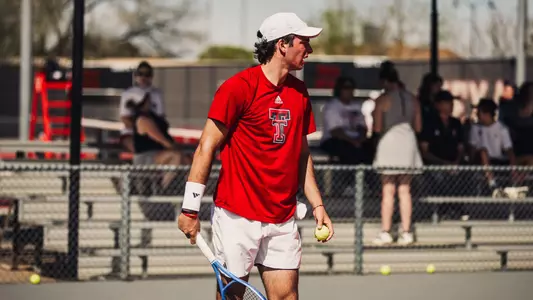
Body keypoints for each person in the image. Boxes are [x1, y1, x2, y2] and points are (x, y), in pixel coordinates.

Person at [177, 12, 334, 300]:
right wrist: (190, 209)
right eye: (304, 42)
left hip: (282, 217)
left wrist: (317, 204)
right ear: (282, 45)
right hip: (237, 216)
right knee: (232, 295)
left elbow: (302, 154)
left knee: (288, 296)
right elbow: (206, 146)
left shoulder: (299, 92)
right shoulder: (237, 88)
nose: (309, 50)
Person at [372, 62, 423, 246]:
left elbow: (377, 127)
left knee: (388, 190)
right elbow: (418, 127)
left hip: (389, 142)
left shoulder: (382, 99)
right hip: (408, 141)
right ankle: (406, 232)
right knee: (404, 190)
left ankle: (386, 231)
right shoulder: (413, 99)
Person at [126, 87, 183, 219]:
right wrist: (174, 147)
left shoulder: (150, 117)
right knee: (176, 156)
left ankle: (189, 199)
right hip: (145, 158)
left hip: (156, 156)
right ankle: (163, 187)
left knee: (186, 159)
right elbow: (163, 140)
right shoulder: (143, 120)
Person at [419, 90, 467, 220]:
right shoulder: (429, 123)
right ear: (438, 105)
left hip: (454, 164)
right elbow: (424, 151)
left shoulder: (456, 123)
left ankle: (457, 208)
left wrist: (456, 162)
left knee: (462, 176)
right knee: (439, 177)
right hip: (435, 165)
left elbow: (461, 147)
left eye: (451, 103)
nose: (450, 106)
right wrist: (443, 163)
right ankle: (443, 209)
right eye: (446, 103)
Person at [470, 98, 516, 192]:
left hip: (498, 160)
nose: (477, 114)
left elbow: (509, 149)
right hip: (480, 161)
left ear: (486, 114)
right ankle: (492, 184)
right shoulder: (475, 128)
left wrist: (513, 166)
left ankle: (516, 185)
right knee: (483, 152)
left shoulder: (501, 128)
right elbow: (472, 148)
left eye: (479, 112)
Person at [119, 61, 165, 153]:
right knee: (138, 148)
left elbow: (160, 117)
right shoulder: (128, 93)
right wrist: (141, 130)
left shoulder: (156, 94)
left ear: (151, 76)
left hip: (153, 134)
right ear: (135, 76)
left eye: (147, 74)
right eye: (140, 74)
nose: (143, 77)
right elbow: (125, 118)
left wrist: (151, 131)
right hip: (131, 133)